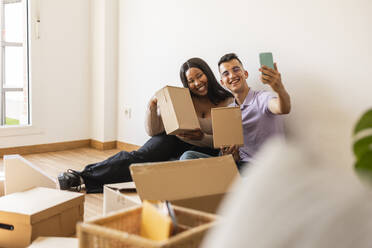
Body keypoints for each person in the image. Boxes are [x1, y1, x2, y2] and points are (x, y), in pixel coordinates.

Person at [58, 57, 233, 193]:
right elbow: (153, 131)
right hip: (175, 140)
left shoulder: (228, 101)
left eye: (199, 76)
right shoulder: (183, 99)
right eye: (190, 81)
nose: (197, 83)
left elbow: (226, 141)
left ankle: (85, 179)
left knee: (154, 170)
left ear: (208, 73)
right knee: (140, 156)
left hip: (205, 148)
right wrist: (151, 107)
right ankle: (82, 177)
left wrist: (202, 137)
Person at [180, 53, 291, 171]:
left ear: (245, 74)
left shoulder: (262, 98)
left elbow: (283, 108)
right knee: (188, 156)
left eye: (236, 69)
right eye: (226, 74)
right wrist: (231, 155)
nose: (232, 75)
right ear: (222, 82)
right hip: (239, 165)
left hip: (262, 168)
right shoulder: (228, 111)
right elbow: (231, 154)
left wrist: (279, 89)